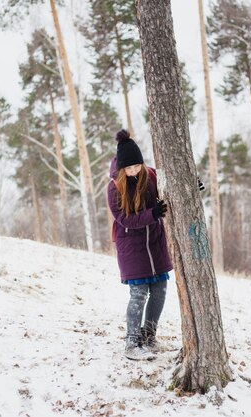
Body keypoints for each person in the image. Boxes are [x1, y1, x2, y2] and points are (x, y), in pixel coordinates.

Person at [106, 129, 173, 361]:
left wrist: (193, 185)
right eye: (130, 168)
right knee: (139, 294)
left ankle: (148, 336)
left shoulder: (151, 175)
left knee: (160, 291)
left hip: (155, 242)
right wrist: (152, 214)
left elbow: (172, 184)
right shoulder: (114, 187)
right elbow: (123, 219)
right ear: (122, 169)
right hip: (131, 246)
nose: (135, 171)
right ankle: (132, 342)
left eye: (137, 166)